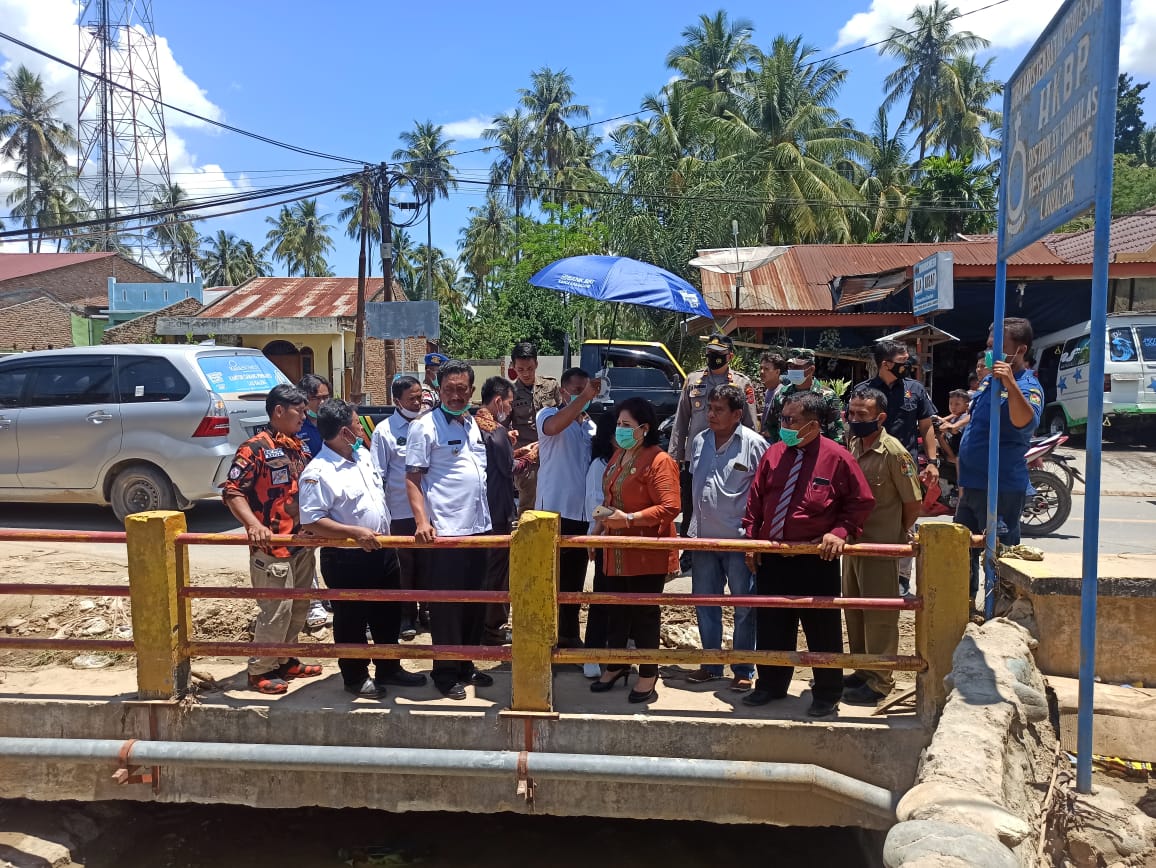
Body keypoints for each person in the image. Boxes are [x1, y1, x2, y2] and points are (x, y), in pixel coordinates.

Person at [741, 391, 874, 717]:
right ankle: (770, 684)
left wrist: (840, 532)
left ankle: (827, 693)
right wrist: (752, 542)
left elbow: (860, 502)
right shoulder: (774, 453)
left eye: (791, 420)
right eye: (782, 419)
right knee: (772, 624)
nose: (784, 426)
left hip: (816, 558)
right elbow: (755, 501)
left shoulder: (837, 458)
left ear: (813, 425)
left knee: (822, 629)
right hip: (772, 556)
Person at [299, 399, 427, 699]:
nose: (361, 429)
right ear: (344, 432)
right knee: (351, 619)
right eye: (357, 424)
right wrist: (353, 533)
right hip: (347, 558)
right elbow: (312, 520)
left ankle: (389, 667)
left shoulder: (362, 456)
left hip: (382, 550)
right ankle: (355, 677)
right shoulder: (319, 471)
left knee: (387, 614)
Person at [221, 384, 321, 695]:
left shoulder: (298, 447)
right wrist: (253, 525)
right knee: (276, 611)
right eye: (299, 411)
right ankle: (260, 670)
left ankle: (285, 659)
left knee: (299, 608)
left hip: (300, 544)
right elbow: (232, 492)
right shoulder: (254, 449)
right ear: (279, 411)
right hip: (272, 548)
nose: (303, 417)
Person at [405, 359, 495, 700]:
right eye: (449, 390)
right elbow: (413, 479)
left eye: (462, 389)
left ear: (471, 391)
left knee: (475, 602)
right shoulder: (424, 427)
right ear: (439, 390)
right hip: (447, 531)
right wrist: (422, 522)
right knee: (447, 606)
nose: (456, 395)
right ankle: (444, 672)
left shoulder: (472, 423)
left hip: (479, 528)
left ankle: (466, 664)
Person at [591, 397, 681, 705]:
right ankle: (617, 664)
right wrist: (599, 528)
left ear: (645, 428)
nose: (620, 430)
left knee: (644, 613)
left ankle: (648, 673)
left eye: (626, 425)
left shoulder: (659, 460)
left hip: (645, 550)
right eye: (618, 424)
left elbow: (670, 507)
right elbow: (611, 498)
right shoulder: (621, 453)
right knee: (616, 609)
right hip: (615, 548)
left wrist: (629, 519)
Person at [955, 318, 1044, 609]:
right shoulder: (988, 381)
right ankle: (965, 607)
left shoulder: (1027, 386)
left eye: (999, 347)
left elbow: (1024, 421)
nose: (990, 353)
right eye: (989, 346)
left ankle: (1002, 613)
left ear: (1021, 350)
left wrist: (1009, 383)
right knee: (960, 551)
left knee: (1000, 556)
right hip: (972, 485)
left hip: (1000, 487)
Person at [841, 387, 922, 705]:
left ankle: (880, 680)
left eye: (862, 414)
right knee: (855, 611)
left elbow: (912, 502)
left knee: (879, 617)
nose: (855, 419)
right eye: (852, 412)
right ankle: (863, 668)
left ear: (881, 417)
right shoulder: (854, 443)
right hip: (853, 545)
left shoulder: (894, 453)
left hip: (880, 547)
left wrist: (896, 533)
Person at [685, 384, 768, 691]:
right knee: (705, 603)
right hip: (704, 540)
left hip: (739, 542)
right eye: (710, 408)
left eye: (719, 410)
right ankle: (710, 664)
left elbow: (764, 495)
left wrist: (755, 542)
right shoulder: (699, 440)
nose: (711, 414)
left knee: (744, 607)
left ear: (737, 414)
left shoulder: (755, 445)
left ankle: (744, 668)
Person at [855, 340, 938, 596]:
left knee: (907, 516)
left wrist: (932, 462)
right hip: (872, 462)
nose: (908, 365)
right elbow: (853, 429)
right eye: (903, 362)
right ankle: (865, 567)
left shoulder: (915, 389)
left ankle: (902, 576)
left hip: (904, 464)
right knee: (872, 514)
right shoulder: (863, 390)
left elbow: (926, 426)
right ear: (886, 364)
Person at [668, 333, 757, 572]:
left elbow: (750, 423)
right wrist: (674, 456)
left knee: (727, 503)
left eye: (718, 354)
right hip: (696, 456)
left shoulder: (742, 383)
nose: (713, 358)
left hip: (730, 456)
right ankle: (690, 550)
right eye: (709, 353)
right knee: (692, 505)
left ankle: (730, 549)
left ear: (730, 356)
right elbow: (681, 421)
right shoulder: (693, 380)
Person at [537, 367, 599, 648]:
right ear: (563, 392)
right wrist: (583, 398)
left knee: (574, 581)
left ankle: (570, 636)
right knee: (551, 580)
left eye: (586, 390)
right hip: (554, 513)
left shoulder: (590, 426)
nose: (582, 395)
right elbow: (553, 428)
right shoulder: (547, 415)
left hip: (582, 514)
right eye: (576, 390)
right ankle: (546, 638)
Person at [370, 375, 428, 641]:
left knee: (428, 563)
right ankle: (407, 614)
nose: (417, 403)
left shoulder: (430, 424)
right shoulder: (384, 431)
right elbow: (378, 474)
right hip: (400, 510)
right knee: (404, 565)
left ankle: (427, 609)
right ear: (397, 401)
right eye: (411, 399)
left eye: (419, 397)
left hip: (429, 509)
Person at [474, 376, 518, 645]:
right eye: (509, 403)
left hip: (477, 511)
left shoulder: (470, 425)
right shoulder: (496, 431)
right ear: (498, 400)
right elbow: (508, 468)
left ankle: (477, 624)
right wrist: (530, 457)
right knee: (498, 572)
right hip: (498, 510)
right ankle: (492, 627)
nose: (510, 409)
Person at [582, 413, 617, 678]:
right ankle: (592, 654)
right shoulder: (600, 465)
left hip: (627, 538)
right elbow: (596, 506)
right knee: (602, 597)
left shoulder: (629, 460)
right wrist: (615, 519)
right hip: (606, 537)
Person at [508, 341, 563, 513]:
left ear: (536, 364)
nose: (526, 373)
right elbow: (503, 425)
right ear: (513, 367)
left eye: (530, 368)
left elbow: (563, 413)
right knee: (528, 506)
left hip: (553, 454)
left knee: (555, 503)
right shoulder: (509, 393)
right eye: (520, 369)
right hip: (528, 460)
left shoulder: (551, 386)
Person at [297, 373, 333, 630]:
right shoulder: (297, 427)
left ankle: (331, 594)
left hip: (335, 496)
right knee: (306, 552)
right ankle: (313, 603)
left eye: (325, 397)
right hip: (308, 498)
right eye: (316, 398)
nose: (321, 403)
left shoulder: (333, 422)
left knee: (334, 549)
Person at [764, 349, 845, 445]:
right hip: (788, 449)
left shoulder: (828, 396)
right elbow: (771, 424)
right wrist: (781, 443)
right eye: (790, 366)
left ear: (811, 369)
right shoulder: (781, 394)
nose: (793, 370)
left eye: (797, 367)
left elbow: (837, 433)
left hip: (817, 451)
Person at [933, 389, 972, 480]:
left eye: (957, 404)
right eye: (950, 404)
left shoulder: (964, 416)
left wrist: (946, 428)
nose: (953, 407)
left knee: (939, 434)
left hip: (958, 448)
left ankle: (951, 457)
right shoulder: (955, 415)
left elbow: (955, 431)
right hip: (952, 443)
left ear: (966, 406)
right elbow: (943, 420)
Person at [758, 351, 787, 434]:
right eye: (761, 368)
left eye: (766, 369)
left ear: (777, 372)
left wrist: (770, 433)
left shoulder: (782, 394)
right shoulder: (768, 391)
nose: (762, 372)